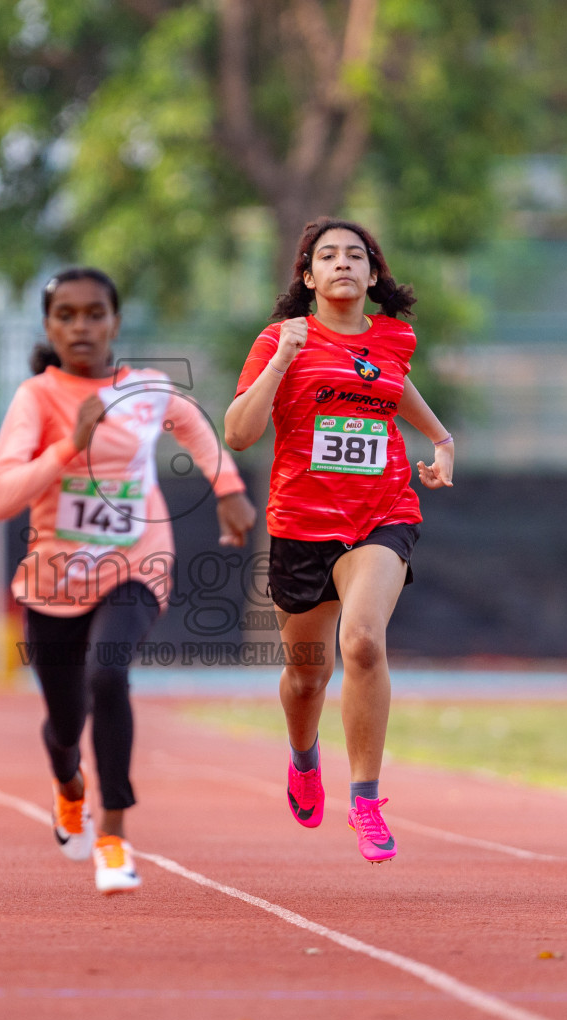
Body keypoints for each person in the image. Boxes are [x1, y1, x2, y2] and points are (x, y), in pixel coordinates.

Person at [0, 267, 255, 894]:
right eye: (67, 315)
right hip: (55, 578)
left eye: (94, 313)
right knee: (62, 721)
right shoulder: (35, 397)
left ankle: (113, 835)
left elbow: (197, 430)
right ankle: (68, 782)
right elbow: (0, 499)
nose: (82, 326)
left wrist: (230, 490)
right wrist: (64, 449)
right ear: (49, 326)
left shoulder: (148, 389)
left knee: (109, 675)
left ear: (116, 321)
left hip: (136, 561)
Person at [224, 218, 454, 864]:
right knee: (306, 676)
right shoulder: (279, 339)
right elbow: (239, 433)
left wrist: (441, 437)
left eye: (356, 255)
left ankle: (366, 799)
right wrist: (282, 359)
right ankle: (303, 757)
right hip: (300, 524)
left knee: (362, 641)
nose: (344, 264)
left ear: (373, 275)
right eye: (328, 256)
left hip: (382, 512)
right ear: (309, 277)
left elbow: (389, 385)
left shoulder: (394, 338)